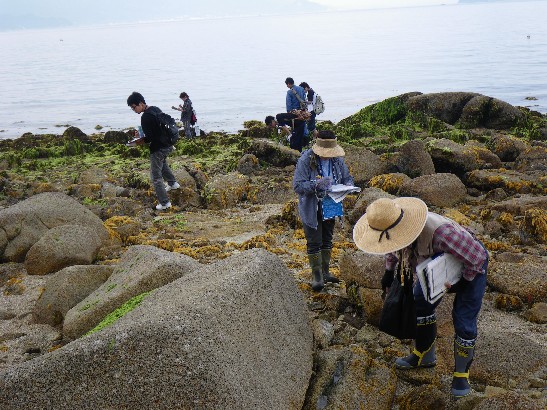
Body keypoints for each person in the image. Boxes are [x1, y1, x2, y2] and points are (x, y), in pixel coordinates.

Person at [352, 197, 489, 398]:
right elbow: (392, 246)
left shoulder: (443, 234)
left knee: (463, 318)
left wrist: (463, 283)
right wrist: (389, 272)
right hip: (435, 265)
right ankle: (424, 355)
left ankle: (461, 373)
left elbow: (478, 257)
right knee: (420, 300)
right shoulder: (392, 228)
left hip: (471, 265)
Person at [293, 130, 354, 292]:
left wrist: (348, 185)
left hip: (331, 204)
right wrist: (316, 185)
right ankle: (317, 276)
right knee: (314, 242)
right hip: (312, 207)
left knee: (327, 239)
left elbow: (347, 177)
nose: (328, 155)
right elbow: (297, 186)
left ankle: (326, 272)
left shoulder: (337, 161)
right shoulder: (306, 159)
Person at [127, 91, 180, 211]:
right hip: (168, 144)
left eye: (134, 107)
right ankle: (173, 184)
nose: (134, 110)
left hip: (158, 148)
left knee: (155, 176)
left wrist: (138, 141)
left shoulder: (145, 117)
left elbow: (150, 137)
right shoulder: (155, 109)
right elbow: (158, 128)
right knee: (163, 165)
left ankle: (165, 203)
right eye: (132, 108)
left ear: (140, 103)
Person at [284, 77, 307, 153]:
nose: (287, 86)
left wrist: (288, 114)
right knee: (303, 128)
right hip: (302, 112)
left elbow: (289, 104)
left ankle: (295, 148)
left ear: (288, 84)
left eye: (287, 84)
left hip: (295, 113)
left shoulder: (289, 92)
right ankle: (304, 143)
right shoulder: (301, 89)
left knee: (295, 130)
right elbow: (304, 99)